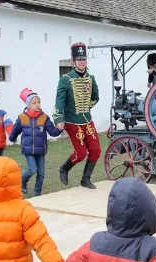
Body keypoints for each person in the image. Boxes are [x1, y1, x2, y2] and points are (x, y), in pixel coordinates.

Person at [54, 42, 101, 189]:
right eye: (79, 60)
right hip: (72, 122)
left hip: (87, 121)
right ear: (73, 61)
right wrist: (59, 119)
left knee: (96, 150)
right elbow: (59, 102)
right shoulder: (65, 79)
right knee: (80, 154)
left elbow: (95, 97)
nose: (82, 62)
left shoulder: (91, 78)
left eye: (84, 59)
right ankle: (64, 168)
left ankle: (85, 179)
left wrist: (87, 107)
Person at [9, 88, 62, 197]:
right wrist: (12, 138)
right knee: (32, 169)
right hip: (28, 149)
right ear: (29, 105)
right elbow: (15, 131)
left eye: (38, 102)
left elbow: (52, 131)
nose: (37, 105)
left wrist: (59, 129)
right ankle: (22, 182)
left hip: (41, 149)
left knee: (41, 173)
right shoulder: (22, 117)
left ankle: (37, 193)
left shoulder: (44, 117)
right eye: (34, 103)